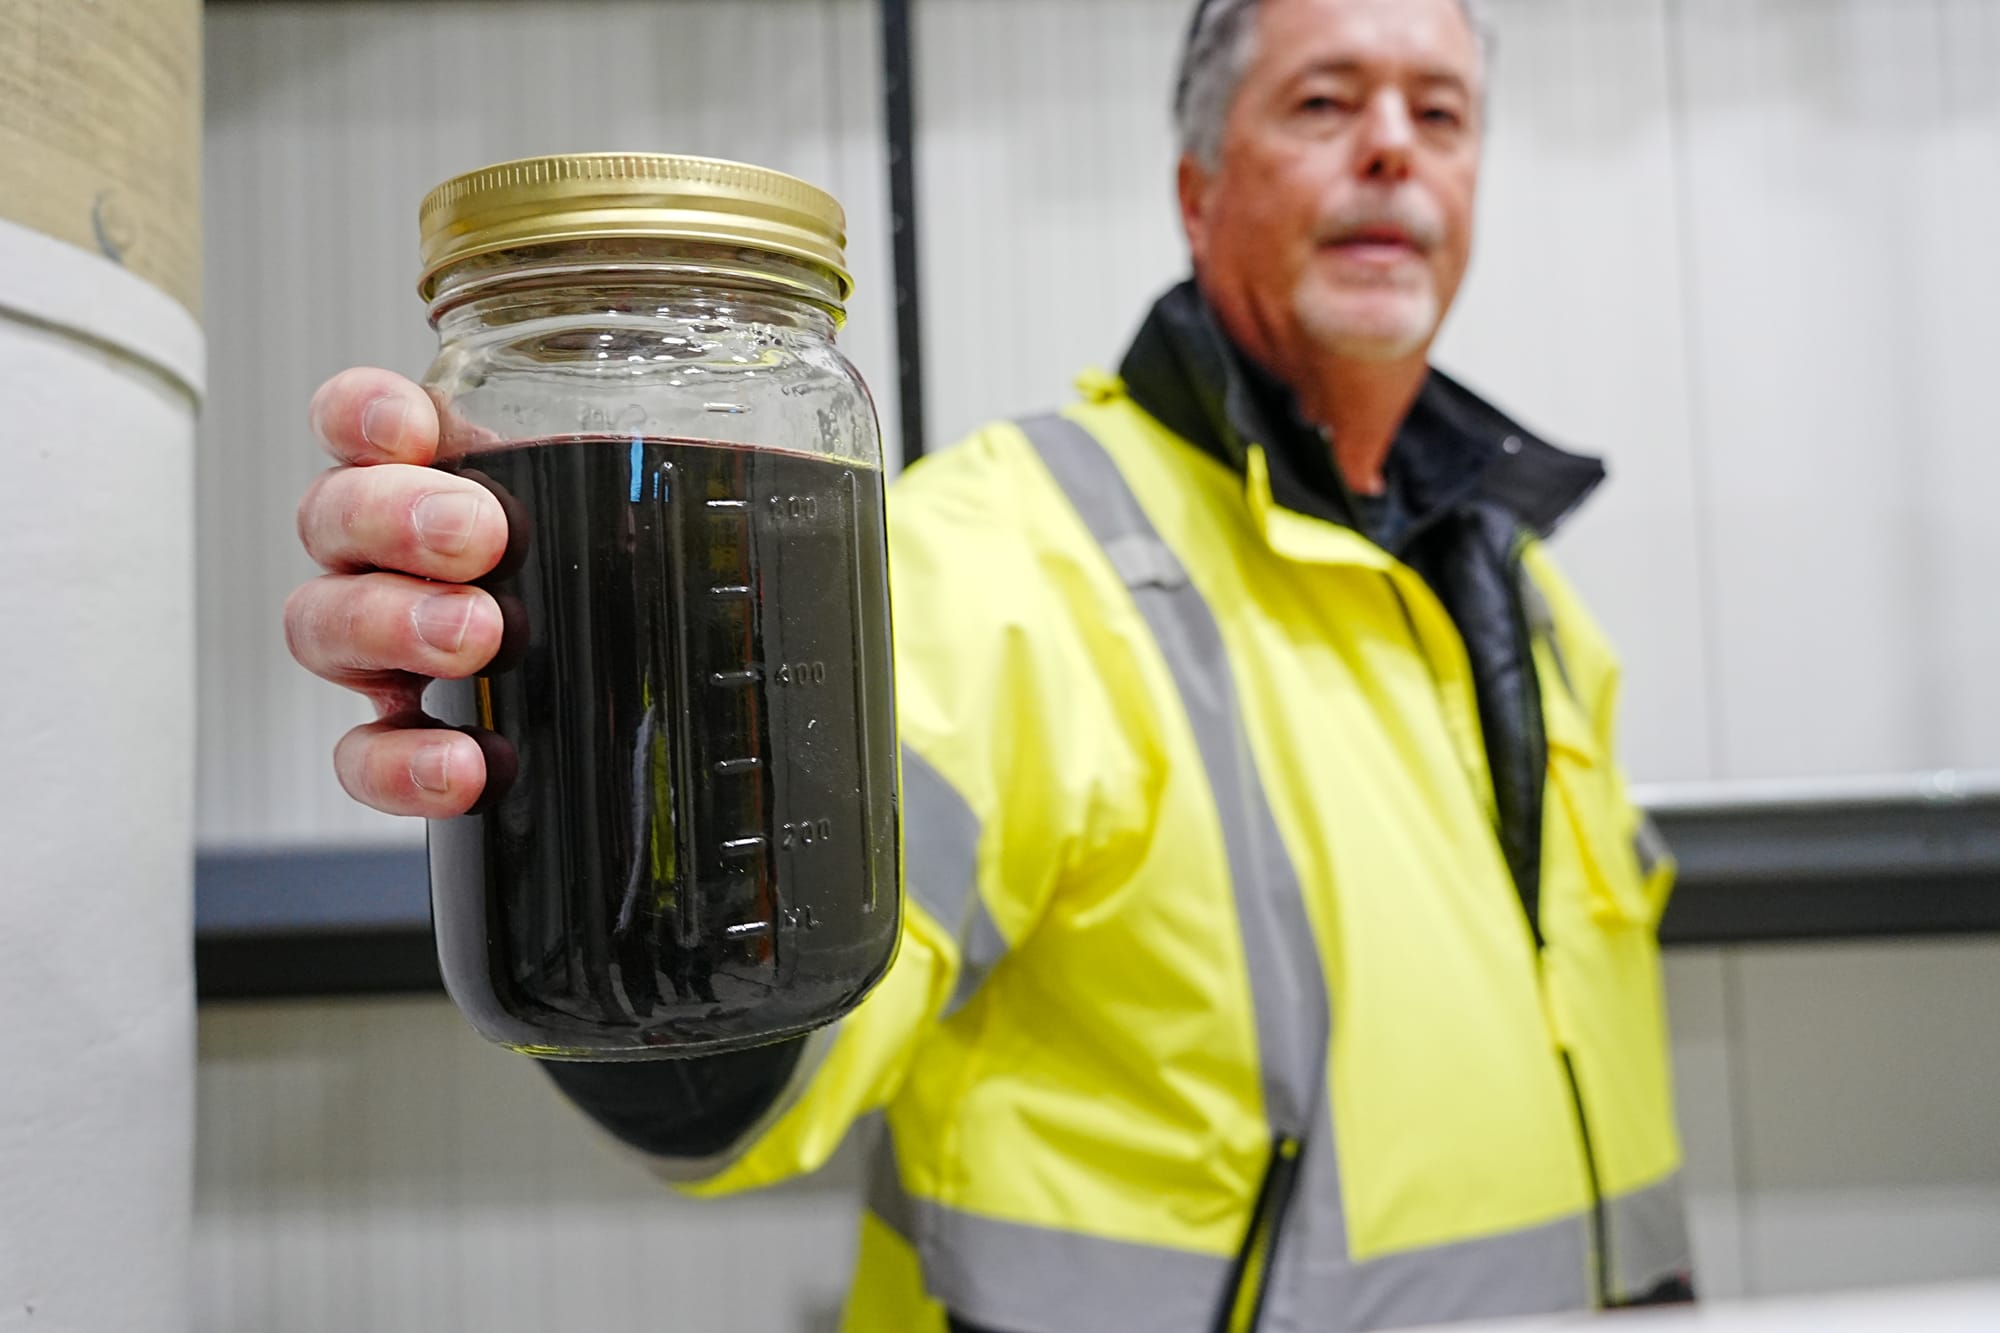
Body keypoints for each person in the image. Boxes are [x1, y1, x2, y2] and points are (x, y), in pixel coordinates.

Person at [284, 0, 1695, 1327]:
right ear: (1197, 192)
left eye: (1440, 114)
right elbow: (725, 1063)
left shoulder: (1528, 601)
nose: (1393, 145)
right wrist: (560, 784)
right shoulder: (994, 557)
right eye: (1325, 103)